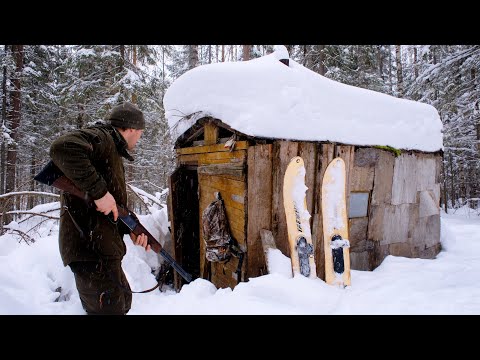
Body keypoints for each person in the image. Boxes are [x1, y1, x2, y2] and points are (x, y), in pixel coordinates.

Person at [50, 101, 151, 315]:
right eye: (140, 133)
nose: (139, 138)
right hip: (90, 249)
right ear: (131, 129)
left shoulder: (110, 148)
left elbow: (112, 206)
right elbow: (62, 148)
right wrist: (99, 192)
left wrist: (131, 228)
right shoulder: (104, 138)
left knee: (122, 303)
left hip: (102, 249)